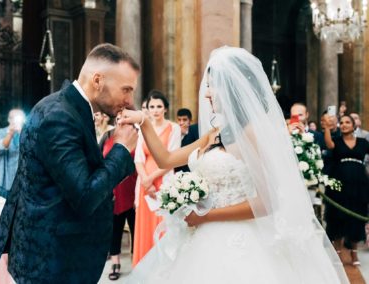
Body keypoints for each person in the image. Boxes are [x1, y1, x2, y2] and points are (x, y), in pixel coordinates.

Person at [120, 47, 349, 283]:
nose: (207, 94)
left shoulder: (252, 134)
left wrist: (206, 216)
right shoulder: (216, 133)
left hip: (241, 236)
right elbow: (166, 160)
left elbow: (267, 202)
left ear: (232, 89)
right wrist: (144, 122)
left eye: (212, 86)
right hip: (202, 233)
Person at [0, 43, 140, 283]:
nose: (130, 101)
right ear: (98, 80)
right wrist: (120, 149)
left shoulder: (67, 108)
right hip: (52, 263)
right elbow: (85, 196)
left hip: (57, 255)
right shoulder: (60, 116)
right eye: (126, 89)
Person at [132, 90, 181, 266]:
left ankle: (162, 269)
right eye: (152, 106)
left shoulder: (173, 128)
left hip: (164, 181)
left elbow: (172, 158)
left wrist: (151, 179)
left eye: (159, 106)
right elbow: (138, 158)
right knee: (144, 227)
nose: (155, 110)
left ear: (166, 109)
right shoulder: (143, 128)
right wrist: (145, 181)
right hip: (145, 184)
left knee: (163, 224)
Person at [323, 114, 369, 266]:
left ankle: (354, 254)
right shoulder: (336, 141)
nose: (344, 125)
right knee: (338, 215)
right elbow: (328, 144)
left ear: (353, 125)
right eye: (341, 122)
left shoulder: (363, 142)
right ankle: (338, 254)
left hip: (359, 184)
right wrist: (328, 128)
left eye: (347, 122)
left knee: (356, 216)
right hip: (339, 184)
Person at [100, 127, 137, 281]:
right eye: (119, 116)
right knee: (114, 227)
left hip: (133, 186)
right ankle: (115, 261)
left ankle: (137, 260)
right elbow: (99, 161)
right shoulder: (107, 136)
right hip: (113, 189)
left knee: (136, 226)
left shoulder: (137, 135)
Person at [0, 109, 26, 198]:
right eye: (13, 118)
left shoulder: (27, 133)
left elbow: (32, 150)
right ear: (9, 119)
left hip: (23, 183)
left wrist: (22, 133)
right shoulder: (0, 133)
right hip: (3, 182)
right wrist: (10, 133)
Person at [174, 108, 199, 172]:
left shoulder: (195, 130)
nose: (181, 123)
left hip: (192, 169)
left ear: (190, 121)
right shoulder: (174, 132)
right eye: (179, 120)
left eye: (184, 120)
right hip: (177, 170)